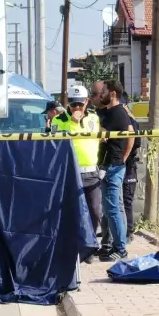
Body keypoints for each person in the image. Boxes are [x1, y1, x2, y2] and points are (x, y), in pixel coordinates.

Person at [51, 85, 102, 262]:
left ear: (87, 102)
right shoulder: (58, 120)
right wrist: (73, 122)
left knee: (95, 211)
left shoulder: (94, 118)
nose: (77, 108)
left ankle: (89, 245)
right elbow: (57, 143)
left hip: (91, 172)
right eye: (73, 105)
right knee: (72, 212)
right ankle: (72, 247)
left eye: (80, 104)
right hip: (70, 172)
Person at [93, 79, 135, 261]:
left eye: (103, 92)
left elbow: (130, 137)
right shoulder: (110, 112)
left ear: (112, 94)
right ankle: (113, 246)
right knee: (112, 208)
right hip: (109, 165)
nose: (100, 95)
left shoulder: (118, 113)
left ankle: (120, 248)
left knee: (113, 210)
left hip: (113, 166)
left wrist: (122, 160)